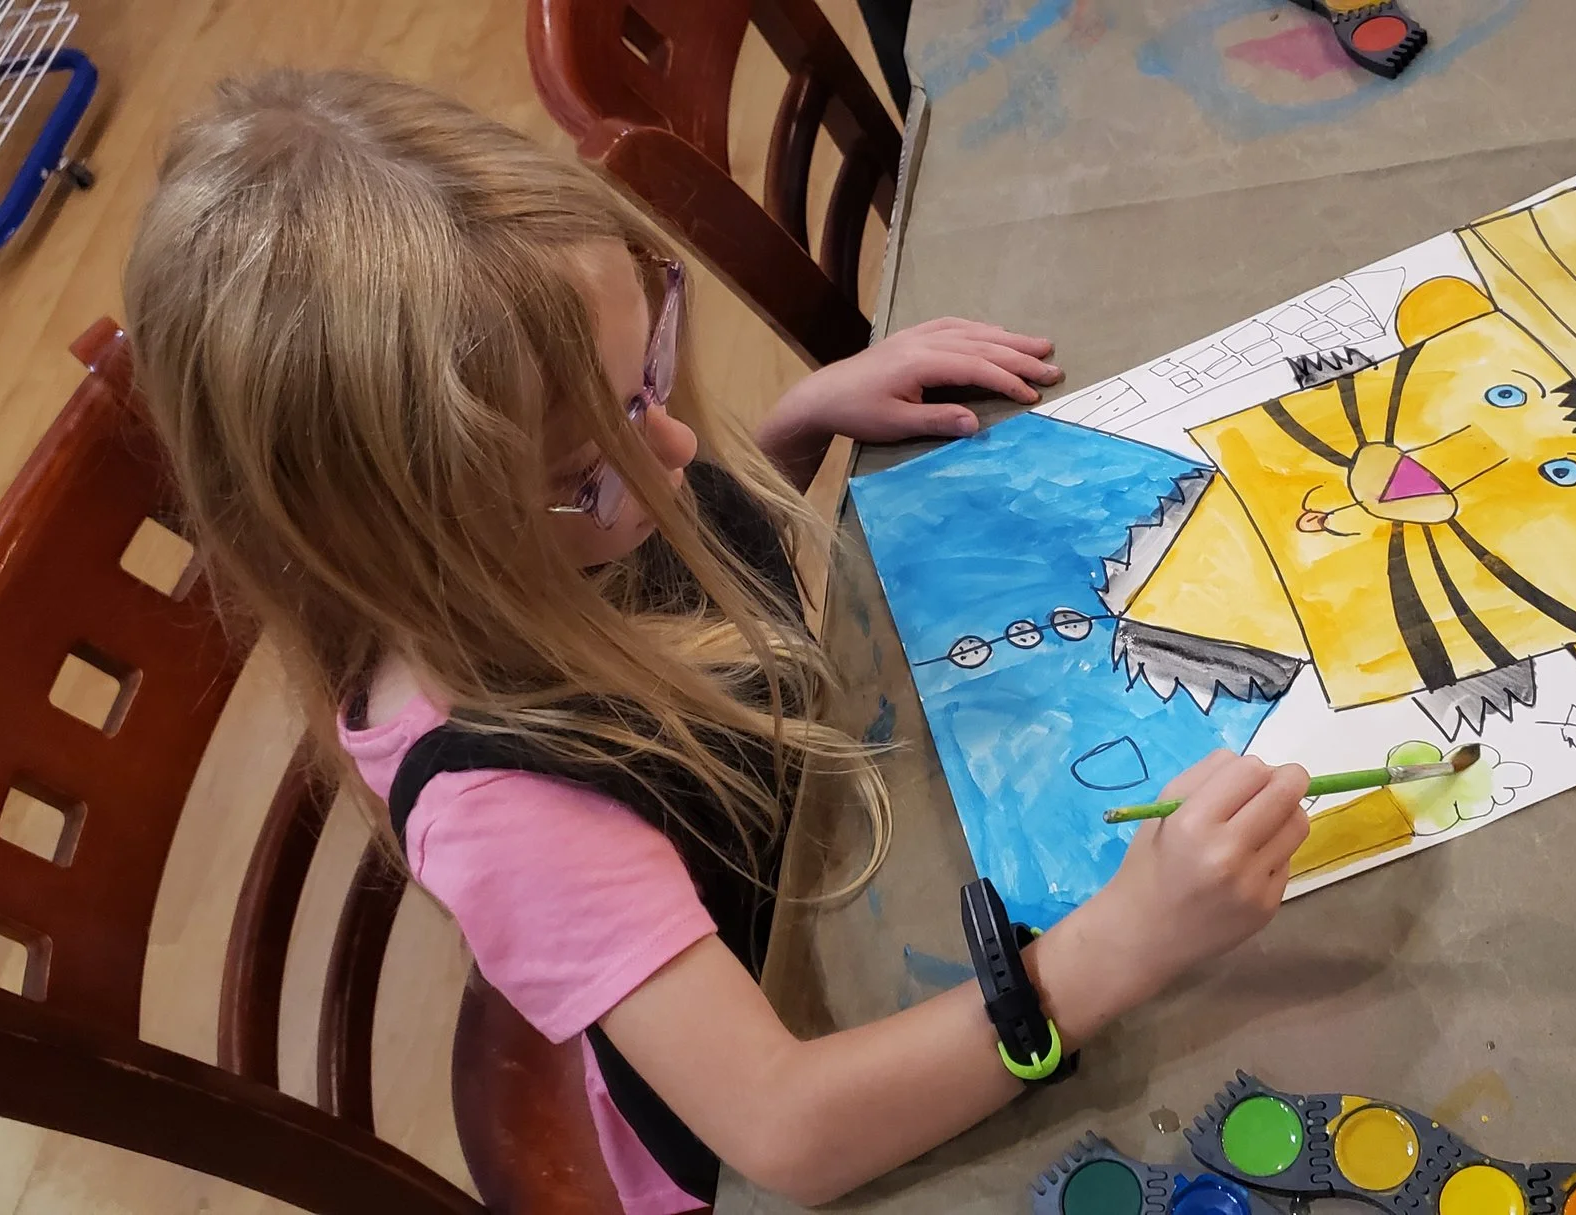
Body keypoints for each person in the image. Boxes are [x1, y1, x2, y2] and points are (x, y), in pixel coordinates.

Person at [124, 70, 1310, 1213]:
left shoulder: (567, 510)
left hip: (846, 846)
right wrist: (1121, 950)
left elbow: (691, 558)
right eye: (593, 465)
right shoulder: (507, 810)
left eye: (650, 370)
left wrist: (799, 424)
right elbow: (784, 1130)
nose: (676, 453)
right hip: (816, 1064)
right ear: (408, 539)